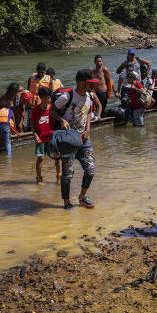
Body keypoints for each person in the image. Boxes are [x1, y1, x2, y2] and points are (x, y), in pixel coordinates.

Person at [51, 69, 101, 209]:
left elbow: (89, 112)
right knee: (68, 173)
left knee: (90, 169)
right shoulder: (67, 97)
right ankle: (66, 202)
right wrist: (61, 120)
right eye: (89, 83)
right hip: (68, 140)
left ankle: (82, 197)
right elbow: (52, 110)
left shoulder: (90, 95)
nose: (92, 86)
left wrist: (88, 129)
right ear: (80, 83)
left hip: (85, 139)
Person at [31, 87, 61, 184]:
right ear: (43, 98)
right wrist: (35, 135)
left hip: (52, 137)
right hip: (41, 137)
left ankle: (59, 177)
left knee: (57, 157)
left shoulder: (53, 108)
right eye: (48, 97)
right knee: (40, 158)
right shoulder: (36, 110)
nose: (50, 99)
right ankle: (39, 178)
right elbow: (32, 123)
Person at [26, 62, 51, 130]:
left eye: (42, 72)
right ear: (36, 71)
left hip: (43, 105)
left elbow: (50, 93)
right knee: (30, 121)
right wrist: (26, 104)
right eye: (39, 72)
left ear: (45, 72)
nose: (40, 74)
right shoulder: (31, 79)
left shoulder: (49, 80)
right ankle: (30, 133)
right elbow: (28, 91)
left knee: (41, 121)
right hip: (31, 105)